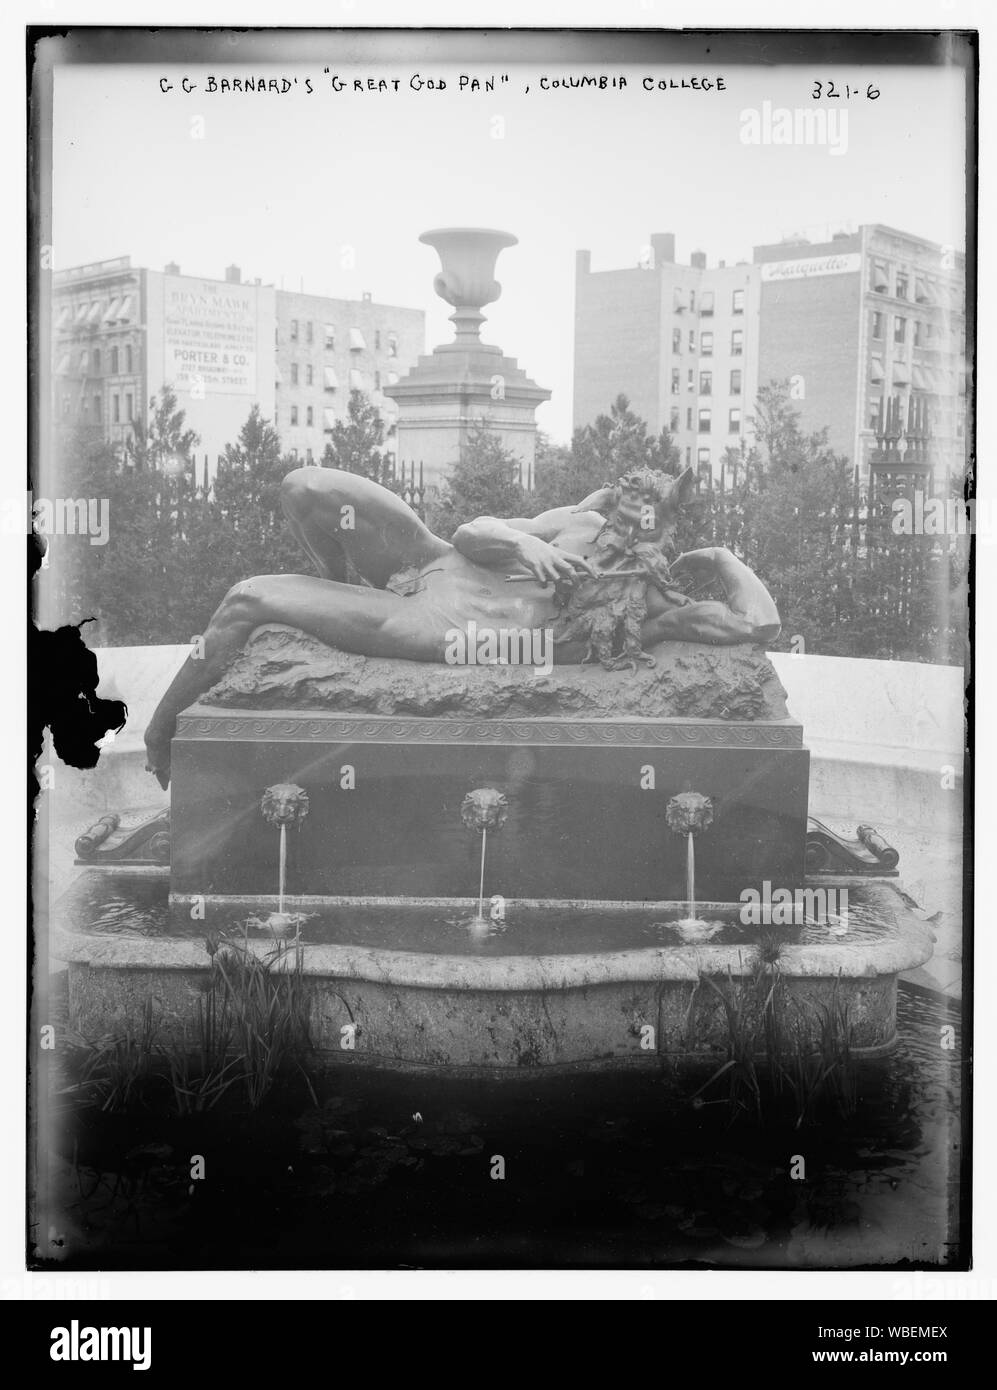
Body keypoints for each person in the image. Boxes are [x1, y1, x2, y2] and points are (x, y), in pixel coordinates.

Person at [143, 464, 781, 786]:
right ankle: (336, 590)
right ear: (614, 509)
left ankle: (156, 737)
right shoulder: (573, 524)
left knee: (247, 599)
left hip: (423, 621)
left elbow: (759, 627)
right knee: (305, 487)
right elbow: (470, 533)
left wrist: (726, 560)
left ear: (661, 535)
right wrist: (519, 544)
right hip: (428, 558)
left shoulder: (654, 609)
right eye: (620, 519)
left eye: (641, 529)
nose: (617, 539)